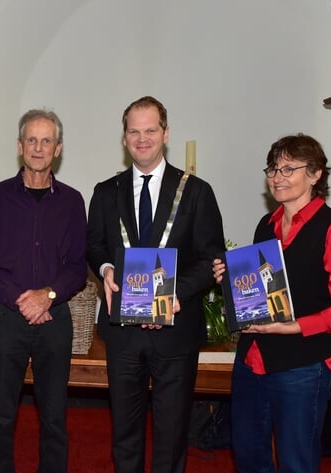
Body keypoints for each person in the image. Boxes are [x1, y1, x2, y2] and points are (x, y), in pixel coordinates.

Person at [213, 134, 331, 473]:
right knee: (249, 456)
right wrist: (231, 278)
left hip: (302, 366)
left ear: (315, 175)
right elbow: (266, 289)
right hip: (252, 360)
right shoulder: (266, 225)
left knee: (296, 462)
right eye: (273, 169)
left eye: (289, 168)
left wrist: (294, 326)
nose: (277, 177)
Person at [86, 96, 225, 473]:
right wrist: (106, 268)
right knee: (124, 430)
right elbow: (94, 244)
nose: (142, 138)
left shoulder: (196, 191)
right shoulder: (105, 191)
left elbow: (211, 257)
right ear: (125, 137)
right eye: (134, 131)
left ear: (166, 133)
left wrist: (174, 296)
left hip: (176, 329)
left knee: (172, 429)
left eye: (150, 130)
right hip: (123, 331)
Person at [0, 109, 87, 473]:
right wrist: (24, 301)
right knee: (2, 415)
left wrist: (47, 296)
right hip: (5, 320)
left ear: (58, 148)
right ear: (20, 146)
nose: (39, 148)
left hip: (55, 320)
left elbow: (78, 266)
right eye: (32, 140)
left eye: (46, 140)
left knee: (54, 417)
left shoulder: (72, 202)